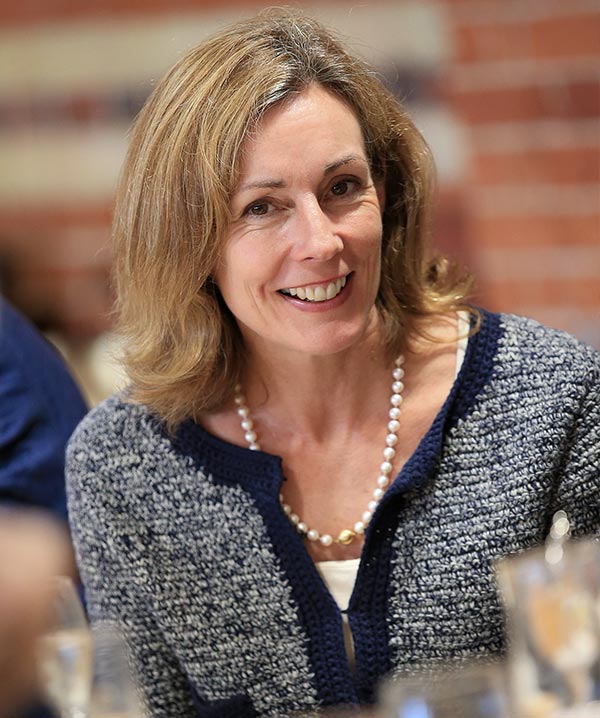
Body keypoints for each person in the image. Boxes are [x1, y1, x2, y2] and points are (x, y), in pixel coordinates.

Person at [66, 9, 600, 718]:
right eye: (262, 207)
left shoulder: (550, 397)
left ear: (388, 192)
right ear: (189, 243)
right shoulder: (119, 466)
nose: (320, 241)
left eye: (342, 187)